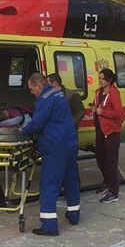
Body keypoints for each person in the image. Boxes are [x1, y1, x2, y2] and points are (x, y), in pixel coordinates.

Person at [21, 73, 80, 236]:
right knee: (70, 181)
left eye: (31, 89)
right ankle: (74, 215)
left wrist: (22, 131)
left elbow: (38, 122)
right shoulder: (58, 93)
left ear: (38, 85)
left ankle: (49, 225)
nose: (31, 92)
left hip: (55, 146)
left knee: (49, 185)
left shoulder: (45, 98)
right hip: (70, 142)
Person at [92, 68, 125, 203]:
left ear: (109, 80)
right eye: (99, 78)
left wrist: (102, 112)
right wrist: (95, 109)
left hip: (111, 132)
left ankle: (114, 191)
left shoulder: (114, 93)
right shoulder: (98, 92)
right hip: (100, 131)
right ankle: (107, 182)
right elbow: (96, 107)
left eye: (103, 79)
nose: (100, 81)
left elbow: (119, 113)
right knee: (100, 159)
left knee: (111, 162)